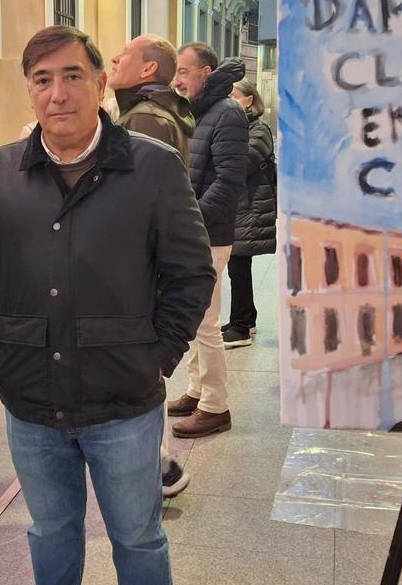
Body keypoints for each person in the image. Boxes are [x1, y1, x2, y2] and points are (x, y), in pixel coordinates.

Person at [0, 25, 215, 585]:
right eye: (42, 80)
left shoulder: (152, 168)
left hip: (122, 398)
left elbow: (191, 272)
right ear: (29, 92)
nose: (58, 93)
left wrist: (158, 356)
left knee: (138, 538)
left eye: (73, 76)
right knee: (50, 533)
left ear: (99, 85)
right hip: (31, 402)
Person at [107, 33, 196, 497]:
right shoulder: (168, 111)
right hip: (155, 257)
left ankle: (155, 468)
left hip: (140, 264)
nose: (114, 60)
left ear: (146, 70)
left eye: (122, 56)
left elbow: (129, 198)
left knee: (140, 371)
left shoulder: (141, 117)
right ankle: (157, 465)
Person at [167, 42, 248, 439]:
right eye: (176, 72)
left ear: (206, 71)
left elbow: (230, 181)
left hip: (210, 234)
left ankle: (216, 406)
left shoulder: (228, 112)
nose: (178, 79)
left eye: (185, 71)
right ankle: (198, 390)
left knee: (206, 321)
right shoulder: (200, 110)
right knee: (198, 318)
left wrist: (191, 220)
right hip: (199, 230)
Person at [223, 79, 277, 348]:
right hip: (240, 206)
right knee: (237, 267)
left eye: (234, 95)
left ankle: (241, 326)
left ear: (249, 100)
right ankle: (245, 318)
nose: (229, 99)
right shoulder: (240, 127)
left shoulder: (259, 129)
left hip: (250, 207)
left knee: (239, 266)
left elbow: (242, 162)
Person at [108, 34, 195, 166]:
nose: (114, 59)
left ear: (147, 69)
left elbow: (141, 182)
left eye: (125, 53)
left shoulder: (146, 117)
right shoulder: (149, 111)